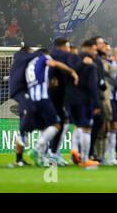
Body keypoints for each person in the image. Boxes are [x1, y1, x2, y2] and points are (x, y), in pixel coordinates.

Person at [26, 49, 78, 166]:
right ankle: (38, 149)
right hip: (43, 98)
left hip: (32, 98)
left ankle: (41, 156)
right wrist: (71, 71)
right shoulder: (44, 58)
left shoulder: (30, 64)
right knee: (56, 124)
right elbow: (54, 63)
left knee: (46, 127)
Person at [67, 40, 101, 168]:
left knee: (77, 126)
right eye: (94, 49)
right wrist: (97, 104)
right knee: (86, 128)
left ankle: (74, 150)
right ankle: (85, 159)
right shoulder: (91, 65)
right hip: (84, 100)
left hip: (71, 99)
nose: (95, 52)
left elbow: (70, 73)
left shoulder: (74, 60)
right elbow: (93, 86)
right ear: (88, 49)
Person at [8, 45, 37, 166]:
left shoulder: (21, 60)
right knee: (27, 114)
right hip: (20, 91)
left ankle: (19, 158)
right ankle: (19, 157)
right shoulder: (21, 56)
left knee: (27, 117)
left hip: (22, 91)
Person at [48, 38, 73, 166]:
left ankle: (54, 152)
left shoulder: (56, 57)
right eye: (68, 47)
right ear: (62, 47)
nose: (69, 50)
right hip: (54, 96)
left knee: (63, 123)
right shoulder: (55, 57)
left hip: (60, 95)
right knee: (58, 123)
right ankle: (50, 152)